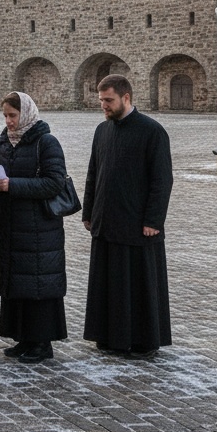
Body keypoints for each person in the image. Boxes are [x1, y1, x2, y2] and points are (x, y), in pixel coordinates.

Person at [83, 74, 173, 359]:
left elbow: (162, 180)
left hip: (137, 225)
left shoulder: (152, 131)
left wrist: (153, 221)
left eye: (108, 100)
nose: (104, 106)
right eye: (101, 101)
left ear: (126, 97)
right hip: (106, 222)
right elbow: (93, 174)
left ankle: (141, 341)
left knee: (137, 285)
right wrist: (89, 212)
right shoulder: (102, 130)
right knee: (108, 284)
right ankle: (109, 336)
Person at [0, 91, 68, 364]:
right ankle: (23, 337)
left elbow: (54, 182)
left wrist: (13, 185)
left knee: (38, 284)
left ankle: (41, 342)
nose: (9, 121)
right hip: (11, 222)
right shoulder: (5, 141)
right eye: (6, 116)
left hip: (38, 227)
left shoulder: (46, 142)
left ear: (26, 113)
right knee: (17, 282)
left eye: (13, 115)